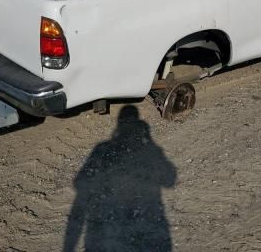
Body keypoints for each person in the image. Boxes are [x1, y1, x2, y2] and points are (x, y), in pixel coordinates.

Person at [63, 105, 177, 251]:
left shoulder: (102, 148)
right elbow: (170, 180)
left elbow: (80, 182)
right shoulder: (152, 150)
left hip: (108, 229)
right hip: (144, 222)